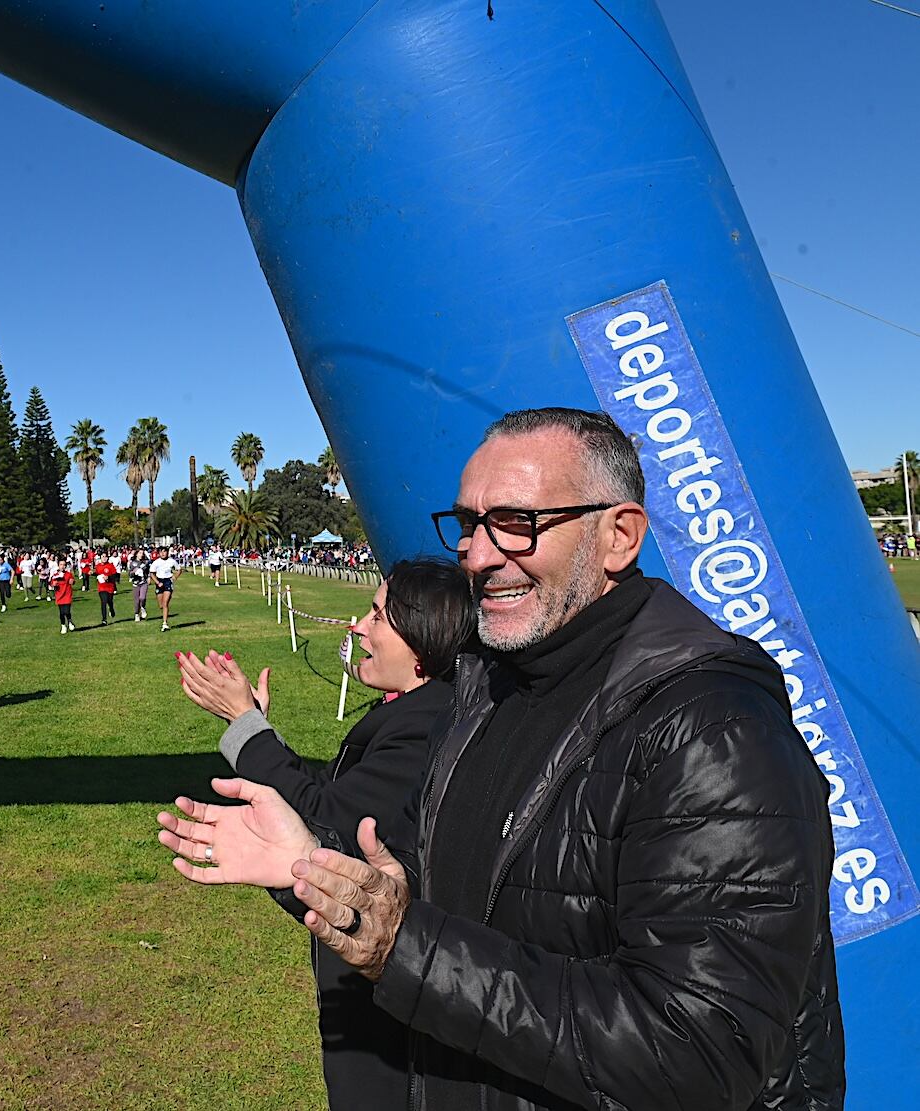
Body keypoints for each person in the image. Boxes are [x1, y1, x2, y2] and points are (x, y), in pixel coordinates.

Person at [158, 407, 843, 1109]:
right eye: (469, 524)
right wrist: (309, 861)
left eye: (518, 522)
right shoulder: (486, 686)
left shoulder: (715, 728)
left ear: (619, 535)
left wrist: (404, 949)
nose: (480, 555)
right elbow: (428, 882)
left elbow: (697, 1050)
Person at [168, 559, 474, 1109]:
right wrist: (259, 729)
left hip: (388, 1016)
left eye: (377, 616)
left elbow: (328, 820)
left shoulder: (425, 724)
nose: (358, 626)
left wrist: (246, 725)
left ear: (422, 644)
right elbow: (337, 796)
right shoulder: (415, 710)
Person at [148, 546, 179, 631]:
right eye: (161, 552)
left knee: (165, 603)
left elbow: (179, 569)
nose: (163, 553)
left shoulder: (172, 561)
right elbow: (152, 573)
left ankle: (164, 623)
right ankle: (164, 613)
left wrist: (175, 577)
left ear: (167, 552)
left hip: (168, 581)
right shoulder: (156, 562)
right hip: (159, 582)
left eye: (164, 551)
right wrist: (157, 582)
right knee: (161, 605)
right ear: (159, 553)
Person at [51, 558, 76, 633]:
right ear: (58, 565)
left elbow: (73, 581)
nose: (62, 566)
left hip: (67, 595)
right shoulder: (55, 575)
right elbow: (52, 583)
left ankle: (70, 621)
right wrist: (54, 584)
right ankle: (63, 625)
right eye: (61, 564)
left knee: (67, 611)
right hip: (59, 596)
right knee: (62, 612)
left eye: (64, 565)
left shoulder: (68, 574)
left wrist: (72, 582)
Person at [94, 553, 118, 624]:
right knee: (103, 601)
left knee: (109, 601)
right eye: (103, 556)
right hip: (101, 587)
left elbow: (115, 576)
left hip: (110, 587)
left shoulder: (110, 566)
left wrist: (108, 578)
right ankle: (104, 620)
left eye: (106, 557)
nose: (104, 558)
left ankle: (111, 609)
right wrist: (92, 573)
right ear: (100, 558)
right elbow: (97, 574)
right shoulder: (98, 566)